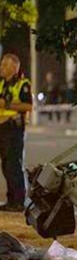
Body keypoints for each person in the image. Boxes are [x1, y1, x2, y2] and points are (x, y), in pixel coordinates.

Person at [0, 54, 33, 212]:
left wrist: (6, 104)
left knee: (14, 165)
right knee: (6, 165)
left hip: (14, 130)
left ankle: (19, 201)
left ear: (14, 68)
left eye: (5, 65)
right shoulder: (1, 84)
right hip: (2, 130)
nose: (1, 68)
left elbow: (28, 106)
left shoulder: (22, 84)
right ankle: (11, 200)